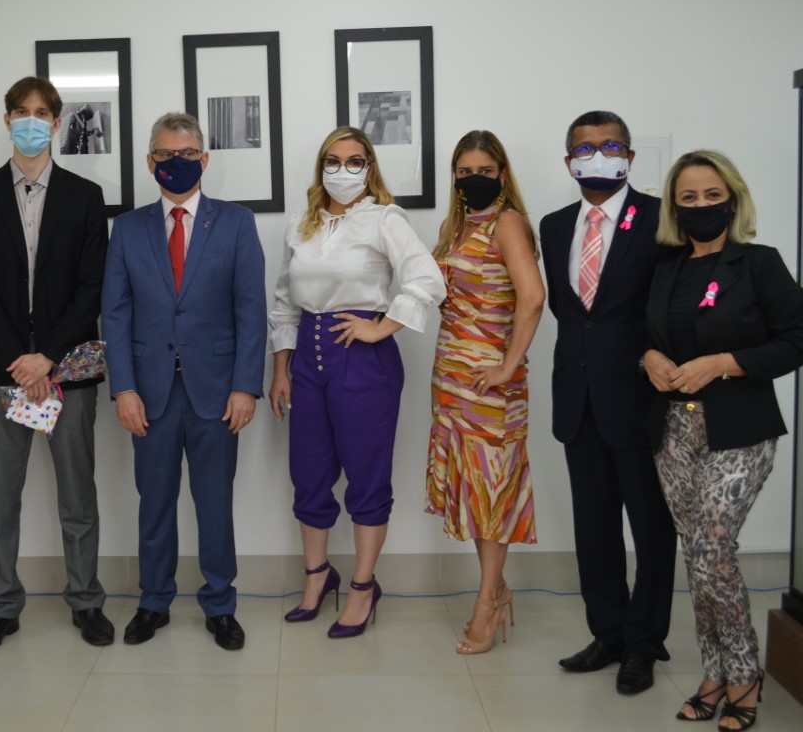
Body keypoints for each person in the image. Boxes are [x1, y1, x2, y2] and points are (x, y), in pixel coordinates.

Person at [643, 150, 803, 730]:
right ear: (674, 207)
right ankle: (712, 672)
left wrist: (724, 363)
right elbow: (648, 333)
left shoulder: (759, 263)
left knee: (713, 554)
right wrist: (649, 355)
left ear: (732, 201)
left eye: (712, 195)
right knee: (696, 554)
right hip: (673, 431)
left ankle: (743, 674)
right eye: (688, 197)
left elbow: (796, 339)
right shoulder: (666, 268)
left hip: (739, 431)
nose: (701, 206)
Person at [268, 126, 444, 639]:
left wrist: (381, 326)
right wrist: (280, 369)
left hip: (364, 363)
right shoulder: (300, 224)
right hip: (307, 359)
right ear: (320, 166)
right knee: (308, 474)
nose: (342, 170)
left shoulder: (384, 218)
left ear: (369, 168)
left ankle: (363, 587)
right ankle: (317, 576)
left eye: (354, 161)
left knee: (366, 477)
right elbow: (284, 301)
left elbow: (428, 279)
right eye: (332, 160)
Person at [0, 76, 112, 654]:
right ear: (7, 120)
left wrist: (46, 356)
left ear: (56, 122)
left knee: (78, 495)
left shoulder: (85, 195)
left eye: (41, 112)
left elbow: (92, 286)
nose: (31, 120)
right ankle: (1, 607)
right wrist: (18, 360)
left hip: (68, 365)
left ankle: (86, 600)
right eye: (21, 111)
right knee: (2, 497)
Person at [102, 112, 265, 650]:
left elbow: (251, 311)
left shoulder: (236, 223)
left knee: (214, 503)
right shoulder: (127, 229)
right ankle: (154, 601)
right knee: (155, 502)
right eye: (167, 155)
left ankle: (220, 604)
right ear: (150, 162)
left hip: (217, 391)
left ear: (205, 159)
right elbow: (115, 315)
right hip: (148, 392)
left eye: (188, 154)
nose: (178, 163)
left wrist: (245, 386)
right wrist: (123, 388)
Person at [539, 110, 676, 694]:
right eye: (585, 148)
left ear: (630, 157)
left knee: (651, 529)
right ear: (569, 161)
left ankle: (644, 644)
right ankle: (609, 633)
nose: (597, 155)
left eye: (610, 146)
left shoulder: (661, 219)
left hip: (641, 399)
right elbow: (571, 313)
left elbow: (670, 306)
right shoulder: (553, 225)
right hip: (578, 399)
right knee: (593, 528)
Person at [425, 130, 543, 654]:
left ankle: (487, 602)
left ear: (502, 174)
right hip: (452, 381)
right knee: (474, 492)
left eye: (485, 171)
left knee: (492, 493)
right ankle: (496, 586)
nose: (474, 179)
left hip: (491, 387)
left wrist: (507, 366)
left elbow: (533, 298)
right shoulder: (453, 227)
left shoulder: (508, 222)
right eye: (465, 171)